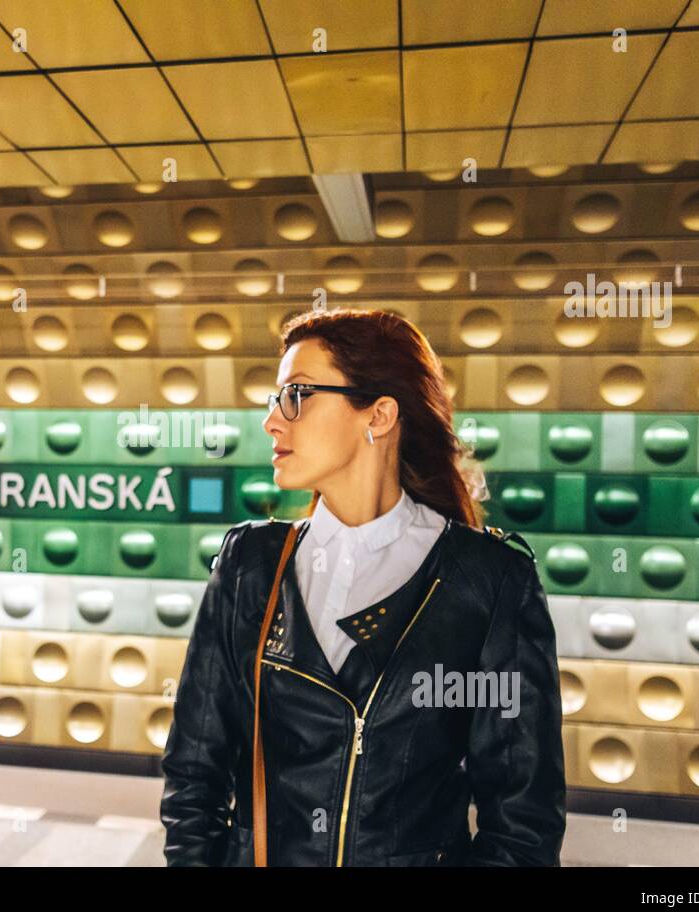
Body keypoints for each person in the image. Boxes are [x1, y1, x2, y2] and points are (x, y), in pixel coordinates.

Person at [160, 308, 566, 866]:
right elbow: (194, 776)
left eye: (297, 395)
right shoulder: (250, 565)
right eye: (276, 399)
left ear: (377, 415)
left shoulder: (490, 582)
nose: (272, 421)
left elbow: (522, 819)